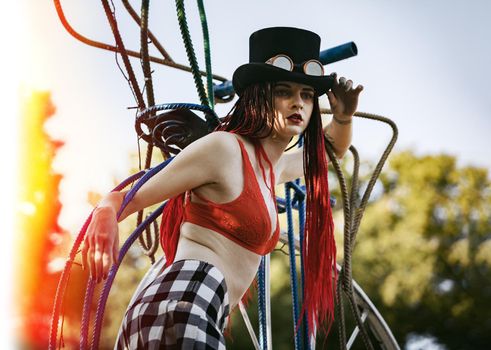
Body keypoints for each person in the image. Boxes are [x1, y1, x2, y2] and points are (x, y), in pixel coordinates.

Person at [81, 26, 363, 349]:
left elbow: (330, 151)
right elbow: (124, 199)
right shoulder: (225, 150)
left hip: (194, 306)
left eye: (307, 95)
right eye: (284, 91)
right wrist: (104, 212)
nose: (297, 104)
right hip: (184, 300)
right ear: (259, 94)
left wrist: (344, 118)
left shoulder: (274, 169)